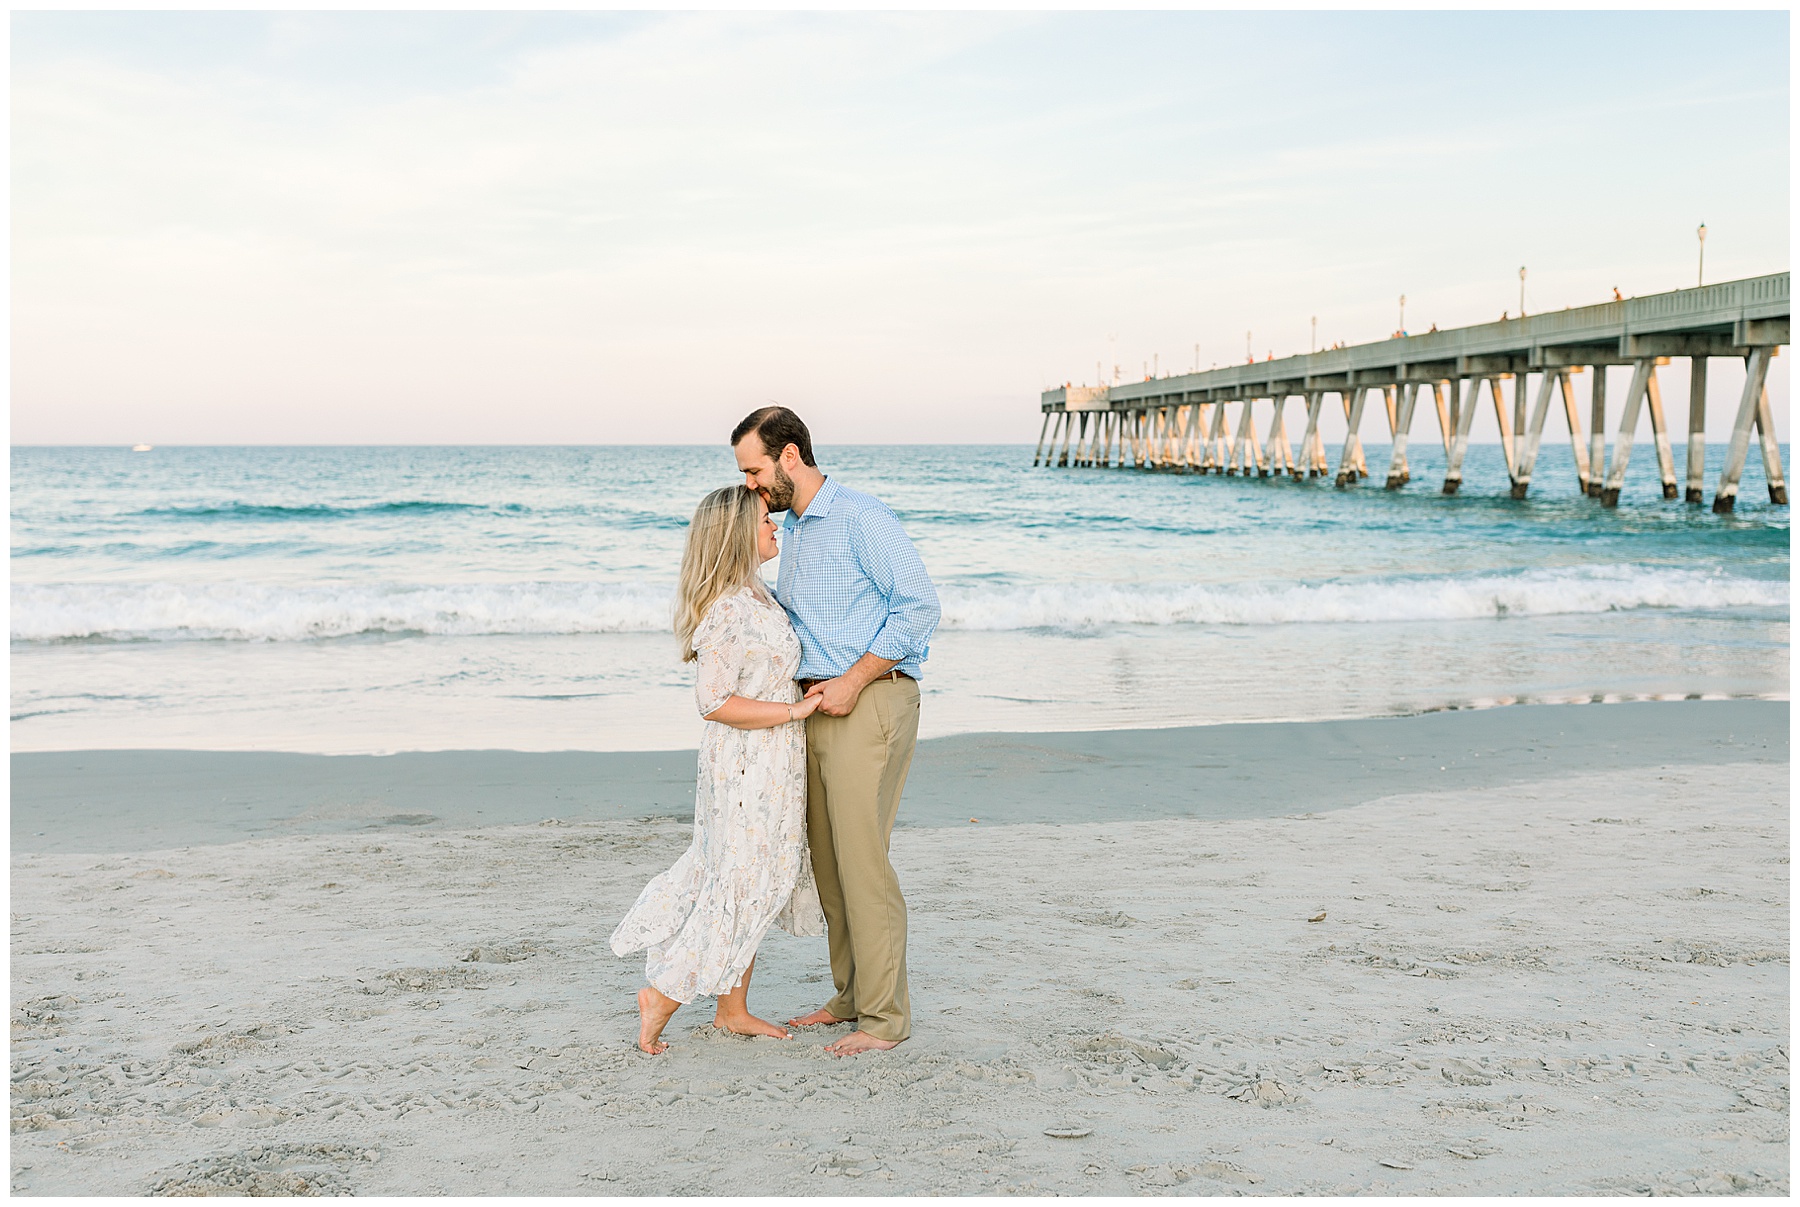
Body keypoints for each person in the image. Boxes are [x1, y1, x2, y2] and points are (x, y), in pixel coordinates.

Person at [731, 406, 940, 1057]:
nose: (749, 487)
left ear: (789, 455)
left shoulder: (860, 517)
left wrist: (852, 680)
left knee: (861, 861)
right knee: (827, 864)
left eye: (754, 470)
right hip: (816, 709)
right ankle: (851, 993)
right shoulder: (790, 529)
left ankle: (884, 1018)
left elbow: (920, 607)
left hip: (870, 700)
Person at [610, 485, 825, 1055]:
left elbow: (761, 673)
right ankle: (662, 995)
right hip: (748, 766)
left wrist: (800, 689)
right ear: (735, 535)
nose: (775, 525)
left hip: (775, 760)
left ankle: (733, 1010)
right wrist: (794, 709)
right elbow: (714, 701)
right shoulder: (729, 608)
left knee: (753, 881)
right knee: (743, 880)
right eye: (763, 520)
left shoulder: (759, 597)